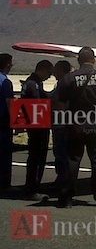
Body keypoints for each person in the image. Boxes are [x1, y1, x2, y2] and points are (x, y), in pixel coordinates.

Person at [56, 47, 96, 208]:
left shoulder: (69, 78)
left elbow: (60, 103)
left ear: (78, 60)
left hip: (75, 125)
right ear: (94, 60)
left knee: (72, 161)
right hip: (95, 126)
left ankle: (66, 198)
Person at [21, 60, 54, 201]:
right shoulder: (33, 84)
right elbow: (37, 104)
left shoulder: (34, 83)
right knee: (36, 157)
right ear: (43, 70)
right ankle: (32, 189)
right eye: (49, 73)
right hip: (37, 126)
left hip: (37, 125)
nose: (49, 76)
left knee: (38, 157)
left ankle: (35, 185)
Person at [49, 60, 72, 189]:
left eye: (55, 70)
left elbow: (56, 99)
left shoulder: (63, 83)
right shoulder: (66, 82)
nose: (53, 73)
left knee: (61, 152)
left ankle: (63, 180)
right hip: (64, 122)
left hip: (61, 123)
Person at [0, 53, 14, 192]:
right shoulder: (5, 82)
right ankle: (4, 185)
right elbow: (10, 104)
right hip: (3, 122)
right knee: (4, 154)